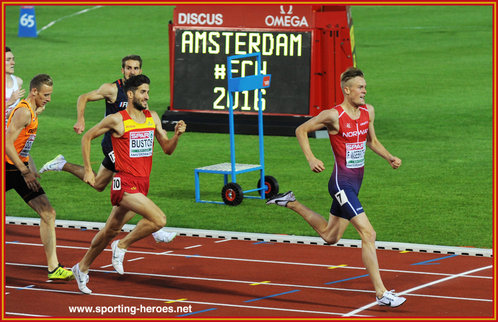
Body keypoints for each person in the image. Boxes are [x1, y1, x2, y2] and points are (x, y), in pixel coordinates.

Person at [266, 67, 406, 307]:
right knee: (368, 233)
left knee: (331, 236)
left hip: (356, 183)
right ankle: (381, 293)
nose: (364, 91)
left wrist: (389, 157)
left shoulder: (368, 111)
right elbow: (301, 130)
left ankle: (290, 201)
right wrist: (311, 158)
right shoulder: (333, 115)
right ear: (347, 90)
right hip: (341, 185)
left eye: (365, 87)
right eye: (360, 87)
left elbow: (371, 141)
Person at [38, 55, 176, 243]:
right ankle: (155, 226)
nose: (132, 72)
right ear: (122, 70)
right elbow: (83, 97)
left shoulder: (140, 93)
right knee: (132, 177)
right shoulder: (112, 89)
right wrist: (81, 119)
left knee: (99, 184)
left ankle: (62, 164)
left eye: (136, 68)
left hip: (127, 144)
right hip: (113, 144)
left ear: (140, 71)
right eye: (128, 68)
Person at [72, 74, 186, 294]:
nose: (147, 96)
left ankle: (81, 267)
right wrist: (87, 169)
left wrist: (177, 136)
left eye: (148, 92)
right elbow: (87, 137)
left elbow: (167, 149)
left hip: (142, 184)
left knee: (109, 230)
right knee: (158, 219)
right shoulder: (117, 119)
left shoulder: (152, 117)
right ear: (131, 94)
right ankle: (122, 245)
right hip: (124, 184)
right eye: (143, 92)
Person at [5, 74, 74, 280]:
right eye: (46, 94)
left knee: (48, 212)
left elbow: (23, 147)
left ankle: (54, 268)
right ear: (34, 91)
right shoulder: (24, 112)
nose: (49, 99)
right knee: (48, 212)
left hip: (18, 168)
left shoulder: (33, 110)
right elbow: (7, 144)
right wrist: (25, 171)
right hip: (8, 168)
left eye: (50, 94)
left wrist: (30, 168)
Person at [5, 47, 26, 126]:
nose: (13, 63)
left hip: (12, 132)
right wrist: (10, 102)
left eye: (13, 59)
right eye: (8, 60)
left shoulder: (18, 81)